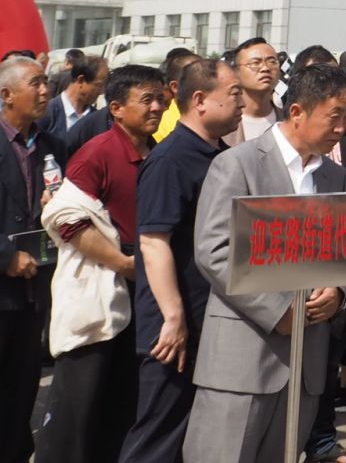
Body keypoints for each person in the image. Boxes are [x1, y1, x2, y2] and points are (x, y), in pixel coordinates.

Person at [183, 65, 346, 463]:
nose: (342, 128)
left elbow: (344, 254)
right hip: (243, 355)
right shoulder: (238, 164)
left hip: (306, 361)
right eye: (334, 117)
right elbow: (213, 249)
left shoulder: (336, 176)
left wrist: (338, 293)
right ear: (297, 112)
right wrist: (279, 310)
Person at [38, 65, 168, 463]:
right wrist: (122, 263)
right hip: (104, 287)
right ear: (115, 108)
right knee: (81, 402)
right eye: (146, 100)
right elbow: (64, 219)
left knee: (125, 398)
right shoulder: (97, 153)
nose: (157, 107)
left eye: (160, 98)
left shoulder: (159, 152)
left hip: (146, 287)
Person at [119, 57, 244, 463]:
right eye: (234, 94)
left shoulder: (219, 155)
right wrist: (173, 318)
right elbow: (153, 242)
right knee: (158, 435)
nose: (242, 102)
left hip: (206, 316)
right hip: (174, 327)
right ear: (200, 100)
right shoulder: (172, 159)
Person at [0, 57, 63, 460]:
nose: (45, 90)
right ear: (6, 95)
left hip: (35, 292)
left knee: (20, 397)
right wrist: (3, 257)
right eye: (35, 83)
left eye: (46, 82)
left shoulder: (52, 146)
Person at [223, 40, 281, 146]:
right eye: (255, 63)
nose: (265, 68)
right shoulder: (222, 125)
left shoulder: (290, 121)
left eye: (272, 62)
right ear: (236, 72)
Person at [41, 51, 110, 140]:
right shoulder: (47, 113)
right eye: (99, 85)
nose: (101, 92)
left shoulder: (98, 119)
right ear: (81, 80)